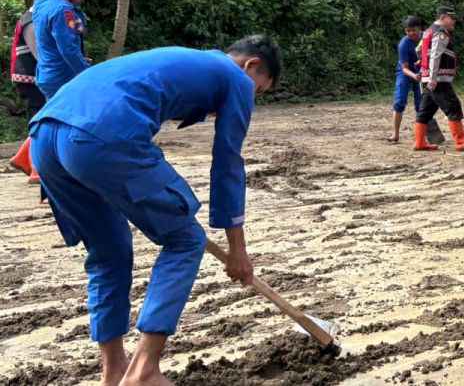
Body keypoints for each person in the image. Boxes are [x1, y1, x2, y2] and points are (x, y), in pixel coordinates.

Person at [29, 36, 280, 386]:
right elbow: (228, 164)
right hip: (98, 136)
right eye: (260, 91)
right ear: (251, 66)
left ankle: (114, 372)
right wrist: (237, 249)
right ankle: (145, 369)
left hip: (45, 137)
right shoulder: (235, 77)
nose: (253, 97)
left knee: (109, 251)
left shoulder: (187, 61)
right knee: (186, 239)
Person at [10, 0, 90, 184]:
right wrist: (86, 73)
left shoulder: (42, 2)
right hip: (62, 76)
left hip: (47, 74)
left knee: (50, 120)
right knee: (63, 123)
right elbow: (68, 49)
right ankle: (44, 168)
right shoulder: (63, 11)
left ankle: (30, 161)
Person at [413, 6, 464, 152]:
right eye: (452, 18)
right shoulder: (440, 32)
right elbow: (436, 55)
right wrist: (433, 76)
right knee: (453, 106)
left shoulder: (427, 31)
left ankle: (419, 142)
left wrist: (422, 63)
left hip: (427, 78)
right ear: (443, 17)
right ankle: (461, 141)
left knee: (426, 111)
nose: (454, 21)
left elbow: (418, 50)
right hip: (438, 79)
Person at [9, 0, 49, 185]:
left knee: (42, 117)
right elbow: (38, 53)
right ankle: (34, 166)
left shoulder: (34, 17)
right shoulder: (31, 20)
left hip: (33, 76)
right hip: (30, 77)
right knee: (41, 118)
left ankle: (24, 158)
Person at [389, 16, 445, 145]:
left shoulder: (427, 39)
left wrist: (426, 73)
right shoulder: (404, 44)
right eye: (408, 31)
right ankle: (395, 134)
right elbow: (404, 68)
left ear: (420, 29)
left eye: (414, 30)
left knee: (421, 105)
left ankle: (429, 135)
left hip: (421, 73)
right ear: (405, 31)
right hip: (405, 73)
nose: (411, 33)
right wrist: (414, 76)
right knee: (399, 101)